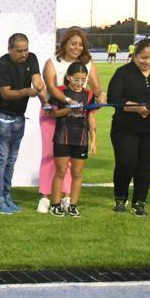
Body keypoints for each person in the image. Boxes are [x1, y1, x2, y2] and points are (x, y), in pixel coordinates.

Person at [107, 37, 150, 216]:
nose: (147, 62)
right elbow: (113, 98)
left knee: (145, 166)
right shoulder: (123, 72)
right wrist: (135, 108)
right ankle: (120, 198)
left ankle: (139, 203)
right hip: (125, 128)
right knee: (126, 162)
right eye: (143, 58)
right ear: (135, 56)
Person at [38, 27, 104, 213]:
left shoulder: (88, 64)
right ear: (65, 43)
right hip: (54, 112)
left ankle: (66, 196)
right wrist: (67, 100)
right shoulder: (53, 62)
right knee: (50, 155)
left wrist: (102, 96)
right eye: (73, 43)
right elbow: (51, 87)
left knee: (70, 160)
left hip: (76, 119)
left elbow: (96, 87)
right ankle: (45, 196)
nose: (77, 47)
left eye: (80, 44)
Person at [0, 33, 45, 215]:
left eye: (26, 49)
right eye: (19, 50)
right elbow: (5, 93)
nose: (23, 54)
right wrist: (27, 91)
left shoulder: (32, 58)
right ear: (9, 49)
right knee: (1, 159)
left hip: (19, 115)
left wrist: (39, 85)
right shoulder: (3, 63)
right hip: (1, 113)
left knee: (11, 160)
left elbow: (37, 79)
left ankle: (6, 195)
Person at [46, 62, 97, 217]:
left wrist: (93, 139)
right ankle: (55, 204)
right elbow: (52, 114)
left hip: (80, 139)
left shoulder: (88, 94)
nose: (79, 83)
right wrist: (69, 109)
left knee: (77, 172)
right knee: (60, 171)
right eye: (76, 80)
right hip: (62, 136)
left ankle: (73, 205)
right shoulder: (60, 92)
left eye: (83, 80)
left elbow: (91, 117)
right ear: (68, 77)